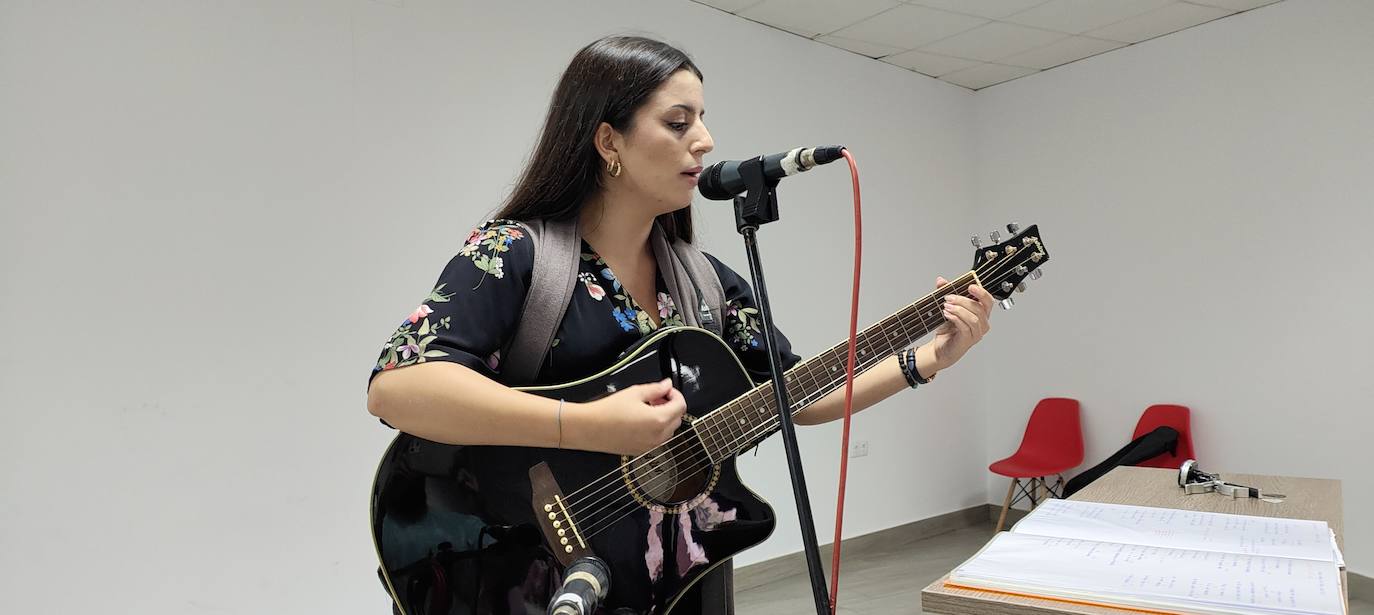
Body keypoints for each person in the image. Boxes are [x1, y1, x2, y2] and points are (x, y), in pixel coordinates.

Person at [366, 35, 994, 612]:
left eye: (703, 118)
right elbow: (397, 387)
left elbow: (794, 393)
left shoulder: (704, 281)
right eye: (678, 121)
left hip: (679, 578)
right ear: (608, 141)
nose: (707, 140)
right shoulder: (515, 254)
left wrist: (927, 358)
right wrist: (585, 424)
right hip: (518, 568)